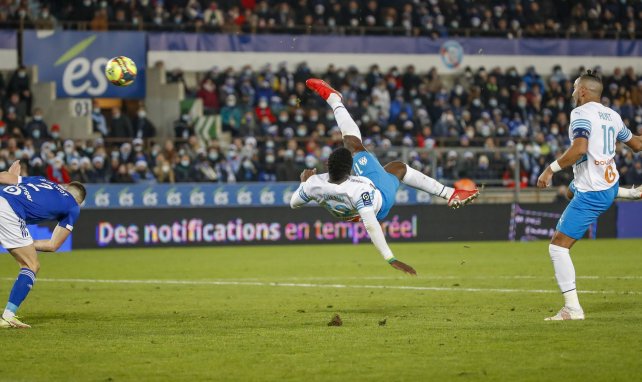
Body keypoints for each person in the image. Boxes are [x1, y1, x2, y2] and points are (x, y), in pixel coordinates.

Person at [290, 79, 480, 275]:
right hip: (381, 198)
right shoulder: (358, 189)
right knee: (353, 144)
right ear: (350, 171)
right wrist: (391, 258)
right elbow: (371, 225)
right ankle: (334, 100)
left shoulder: (314, 184)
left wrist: (304, 184)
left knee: (396, 168)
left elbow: (293, 203)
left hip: (350, 211)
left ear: (327, 166)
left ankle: (450, 194)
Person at [537, 70, 642, 321]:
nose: (573, 92)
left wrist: (549, 170)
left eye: (575, 88)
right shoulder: (612, 115)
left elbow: (579, 149)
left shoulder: (580, 113)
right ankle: (632, 193)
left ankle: (572, 309)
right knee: (575, 185)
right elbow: (637, 144)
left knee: (558, 248)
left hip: (594, 192)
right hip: (607, 184)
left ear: (583, 91)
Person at [0, 160, 86, 328]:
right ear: (79, 201)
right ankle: (8, 316)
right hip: (9, 211)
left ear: (65, 187)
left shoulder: (42, 180)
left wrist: (12, 174)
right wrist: (26, 243)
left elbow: (5, 177)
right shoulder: (73, 207)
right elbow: (53, 245)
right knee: (31, 264)